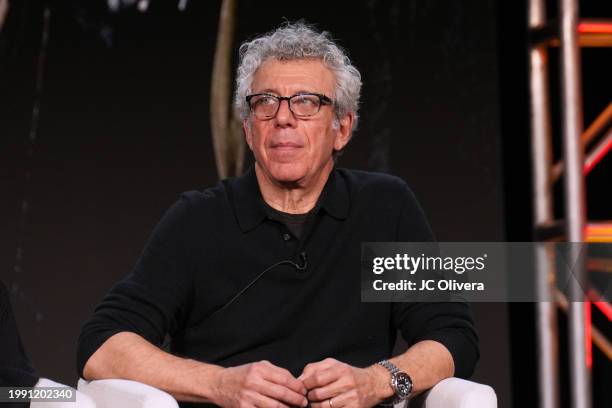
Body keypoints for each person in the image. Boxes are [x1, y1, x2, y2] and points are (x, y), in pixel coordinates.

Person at [77, 22, 478, 408]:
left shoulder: (386, 206)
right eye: (265, 102)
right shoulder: (198, 219)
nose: (283, 117)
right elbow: (102, 345)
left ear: (342, 127)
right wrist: (220, 384)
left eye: (306, 102)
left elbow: (452, 336)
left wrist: (375, 381)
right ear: (249, 130)